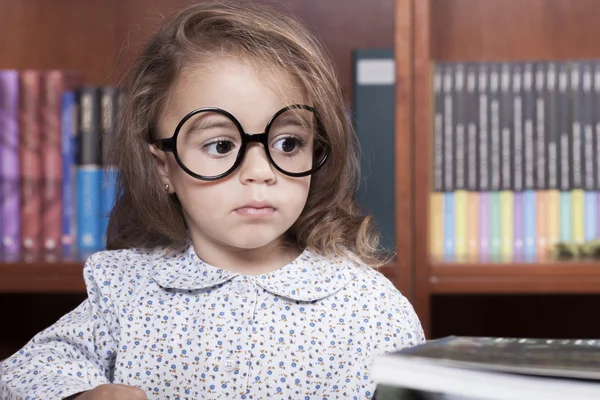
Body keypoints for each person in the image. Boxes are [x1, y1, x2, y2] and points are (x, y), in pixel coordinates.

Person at [0, 1, 425, 399]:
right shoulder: (127, 293)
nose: (260, 170)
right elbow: (23, 373)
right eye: (221, 146)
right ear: (163, 168)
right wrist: (85, 394)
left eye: (288, 142)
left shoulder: (369, 307)